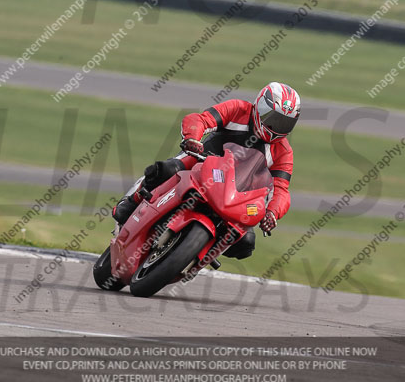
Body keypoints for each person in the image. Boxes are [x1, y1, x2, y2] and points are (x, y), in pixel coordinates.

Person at [112, 81, 300, 260]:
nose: (276, 127)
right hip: (201, 162)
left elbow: (281, 189)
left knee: (246, 243)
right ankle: (132, 201)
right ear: (260, 107)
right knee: (166, 170)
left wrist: (272, 213)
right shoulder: (238, 109)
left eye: (284, 123)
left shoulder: (283, 152)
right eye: (273, 119)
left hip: (235, 194)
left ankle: (195, 256)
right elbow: (201, 119)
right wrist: (193, 138)